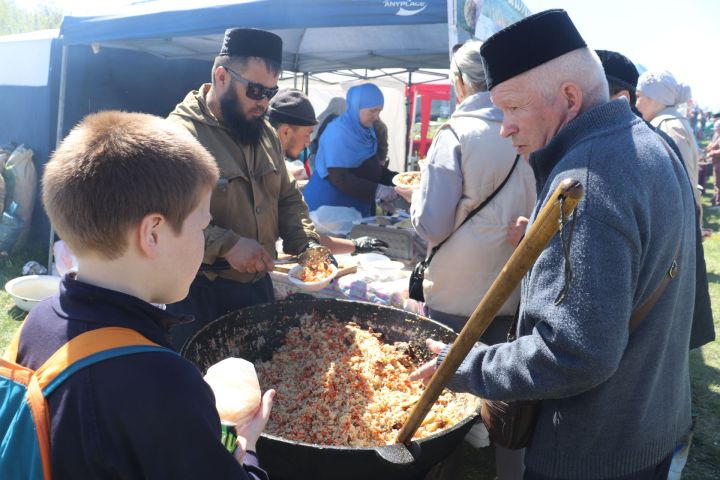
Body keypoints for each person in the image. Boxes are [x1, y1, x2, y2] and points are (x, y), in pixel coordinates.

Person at [410, 9, 696, 480]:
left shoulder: (586, 178)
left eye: (514, 107)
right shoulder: (647, 142)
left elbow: (575, 353)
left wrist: (463, 364)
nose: (505, 127)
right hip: (649, 426)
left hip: (592, 451)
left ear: (568, 96)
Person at [15, 111, 273, 479]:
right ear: (153, 233)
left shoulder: (37, 321)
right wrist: (245, 454)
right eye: (202, 226)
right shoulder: (164, 383)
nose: (204, 240)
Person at [402, 39, 536, 480]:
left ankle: (444, 469)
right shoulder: (531, 130)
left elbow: (433, 225)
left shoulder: (456, 133)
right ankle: (507, 470)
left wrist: (415, 198)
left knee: (446, 392)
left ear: (460, 81)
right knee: (507, 389)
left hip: (458, 292)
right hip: (514, 289)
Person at [166, 28, 321, 350]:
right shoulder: (179, 136)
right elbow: (165, 219)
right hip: (199, 296)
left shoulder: (263, 132)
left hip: (256, 290)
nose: (264, 103)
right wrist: (227, 245)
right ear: (222, 76)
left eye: (271, 92)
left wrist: (306, 244)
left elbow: (287, 197)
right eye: (255, 90)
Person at [268, 88, 389, 256]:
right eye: (308, 134)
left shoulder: (280, 169)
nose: (309, 143)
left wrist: (354, 245)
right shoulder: (262, 166)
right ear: (286, 132)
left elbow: (300, 233)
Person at [303, 83, 399, 217]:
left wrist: (394, 179)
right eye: (372, 110)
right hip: (328, 210)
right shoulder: (338, 132)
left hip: (352, 208)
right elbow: (338, 177)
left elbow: (368, 165)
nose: (377, 116)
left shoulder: (365, 131)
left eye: (379, 110)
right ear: (356, 106)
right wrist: (377, 190)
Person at [636, 70, 703, 207]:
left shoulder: (667, 127)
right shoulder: (671, 122)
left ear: (652, 98)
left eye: (638, 96)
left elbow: (682, 190)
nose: (636, 104)